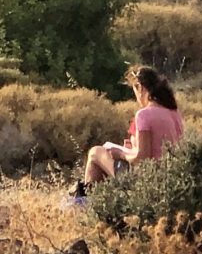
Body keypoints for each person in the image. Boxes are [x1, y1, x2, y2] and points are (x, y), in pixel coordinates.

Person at [73, 65, 185, 203]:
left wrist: (120, 153)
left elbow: (141, 159)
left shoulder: (144, 115)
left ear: (140, 87)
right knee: (105, 160)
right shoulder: (174, 113)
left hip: (144, 180)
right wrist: (130, 149)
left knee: (95, 152)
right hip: (169, 179)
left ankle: (87, 203)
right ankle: (96, 202)